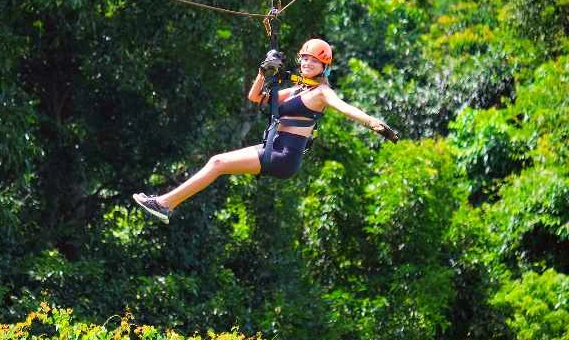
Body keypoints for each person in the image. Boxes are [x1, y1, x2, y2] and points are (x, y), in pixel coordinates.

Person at [132, 38, 397, 223]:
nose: (307, 64)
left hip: (284, 155)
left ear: (324, 67)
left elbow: (345, 108)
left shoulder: (322, 93)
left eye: (313, 61)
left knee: (217, 162)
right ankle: (166, 203)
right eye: (304, 59)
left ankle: (165, 204)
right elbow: (255, 97)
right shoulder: (297, 89)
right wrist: (263, 71)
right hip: (274, 147)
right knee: (218, 162)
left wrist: (373, 123)